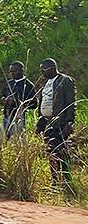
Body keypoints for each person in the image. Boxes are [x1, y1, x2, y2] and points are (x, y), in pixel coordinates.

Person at [35, 58, 76, 186]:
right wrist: (40, 123)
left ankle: (67, 182)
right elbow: (43, 101)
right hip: (47, 122)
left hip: (60, 122)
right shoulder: (45, 82)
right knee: (50, 152)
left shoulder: (65, 81)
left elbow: (71, 102)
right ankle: (55, 181)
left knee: (62, 152)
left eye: (44, 69)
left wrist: (70, 122)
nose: (42, 72)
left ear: (52, 68)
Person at [0, 61, 37, 142]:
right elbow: (1, 97)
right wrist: (4, 100)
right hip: (6, 116)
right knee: (1, 140)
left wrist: (20, 102)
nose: (11, 74)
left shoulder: (28, 85)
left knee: (16, 140)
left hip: (18, 117)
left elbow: (34, 104)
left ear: (21, 71)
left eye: (14, 71)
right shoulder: (9, 83)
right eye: (10, 72)